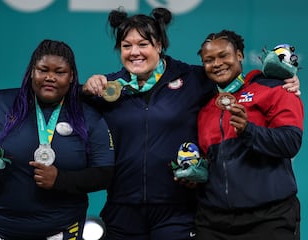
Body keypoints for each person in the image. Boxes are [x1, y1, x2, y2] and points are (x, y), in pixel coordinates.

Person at [81, 8, 300, 240]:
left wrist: (280, 80)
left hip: (176, 210)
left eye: (143, 44)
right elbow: (61, 100)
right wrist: (83, 89)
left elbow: (232, 80)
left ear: (159, 45)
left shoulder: (191, 79)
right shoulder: (109, 88)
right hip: (123, 207)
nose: (135, 52)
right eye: (127, 46)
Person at [0, 39, 115, 240]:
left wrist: (61, 180)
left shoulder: (88, 117)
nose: (50, 77)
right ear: (31, 72)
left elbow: (104, 173)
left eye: (60, 72)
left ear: (72, 76)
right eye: (43, 70)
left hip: (62, 232)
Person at [195, 30, 303, 240]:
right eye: (208, 60)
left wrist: (248, 130)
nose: (216, 64)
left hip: (269, 218)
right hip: (213, 222)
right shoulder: (205, 108)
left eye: (223, 55)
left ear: (240, 56)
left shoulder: (274, 88)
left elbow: (291, 143)